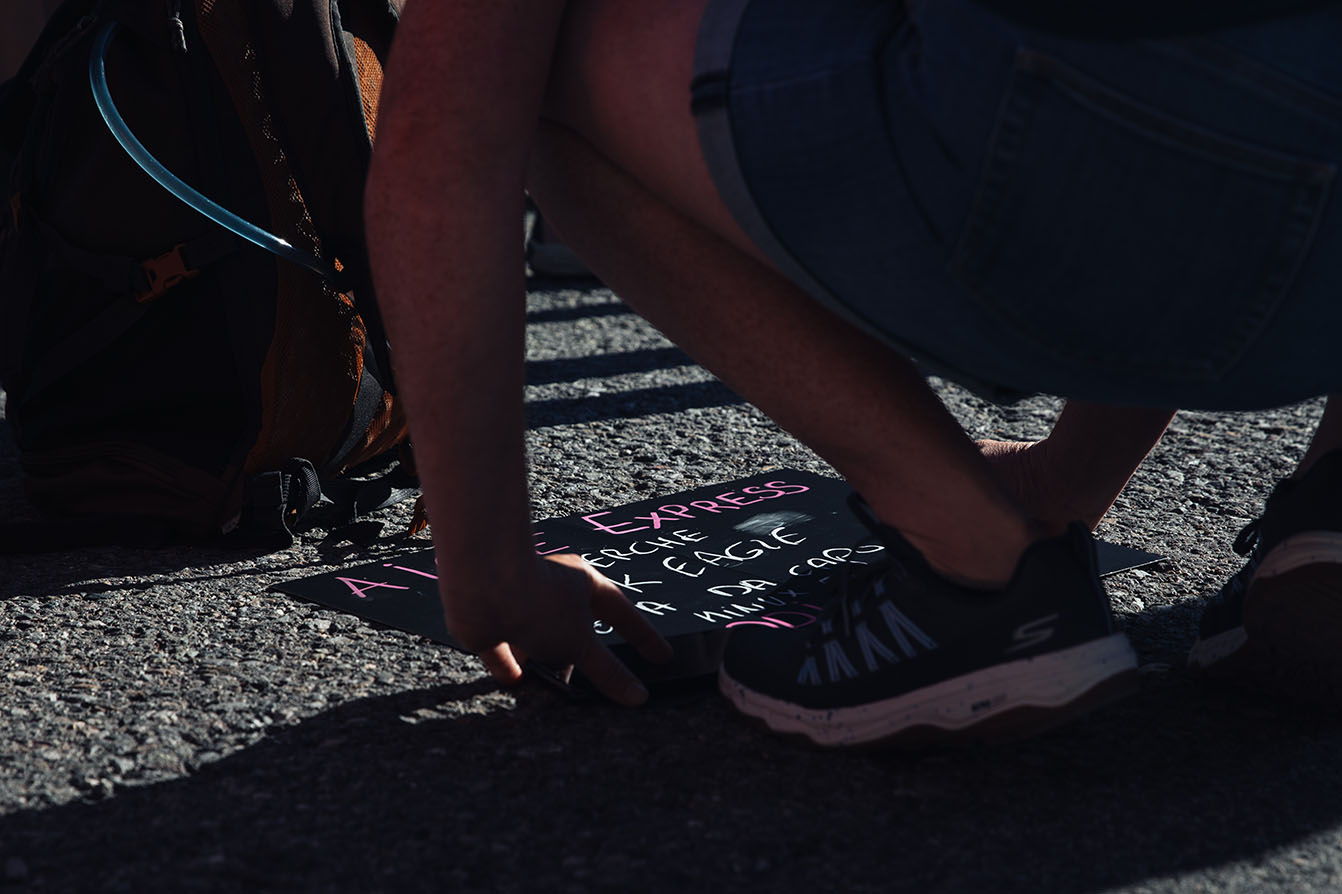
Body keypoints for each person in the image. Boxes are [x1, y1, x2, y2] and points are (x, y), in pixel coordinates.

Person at [365, 0, 1342, 746]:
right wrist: (1072, 474)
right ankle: (1330, 516)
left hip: (1077, 158)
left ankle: (976, 567)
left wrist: (488, 565)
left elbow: (439, 124)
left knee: (532, 54)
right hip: (1316, 294)